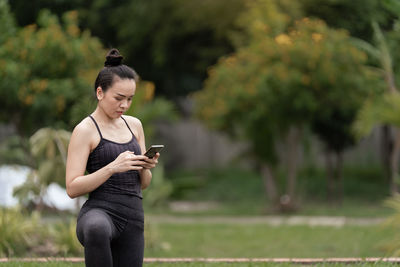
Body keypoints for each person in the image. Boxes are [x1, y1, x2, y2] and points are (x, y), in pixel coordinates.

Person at [65, 48, 159, 267]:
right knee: (96, 227)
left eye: (129, 99)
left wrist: (146, 166)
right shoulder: (85, 130)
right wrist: (112, 167)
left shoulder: (134, 125)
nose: (124, 105)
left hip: (133, 218)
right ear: (100, 93)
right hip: (99, 213)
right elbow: (72, 187)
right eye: (118, 98)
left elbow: (143, 184)